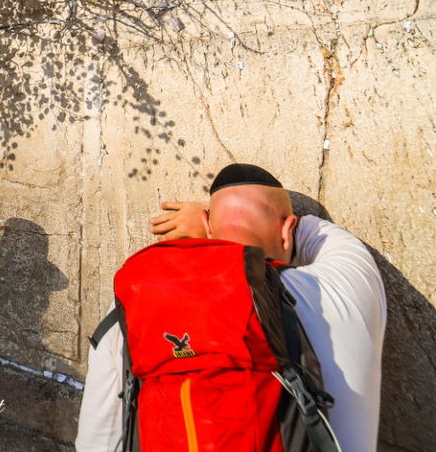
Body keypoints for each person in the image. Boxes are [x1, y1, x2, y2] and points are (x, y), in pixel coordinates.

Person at [75, 164, 387, 452]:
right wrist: (216, 218)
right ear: (287, 229)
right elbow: (316, 234)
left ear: (209, 228)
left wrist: (213, 226)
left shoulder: (136, 301)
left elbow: (97, 439)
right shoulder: (344, 287)